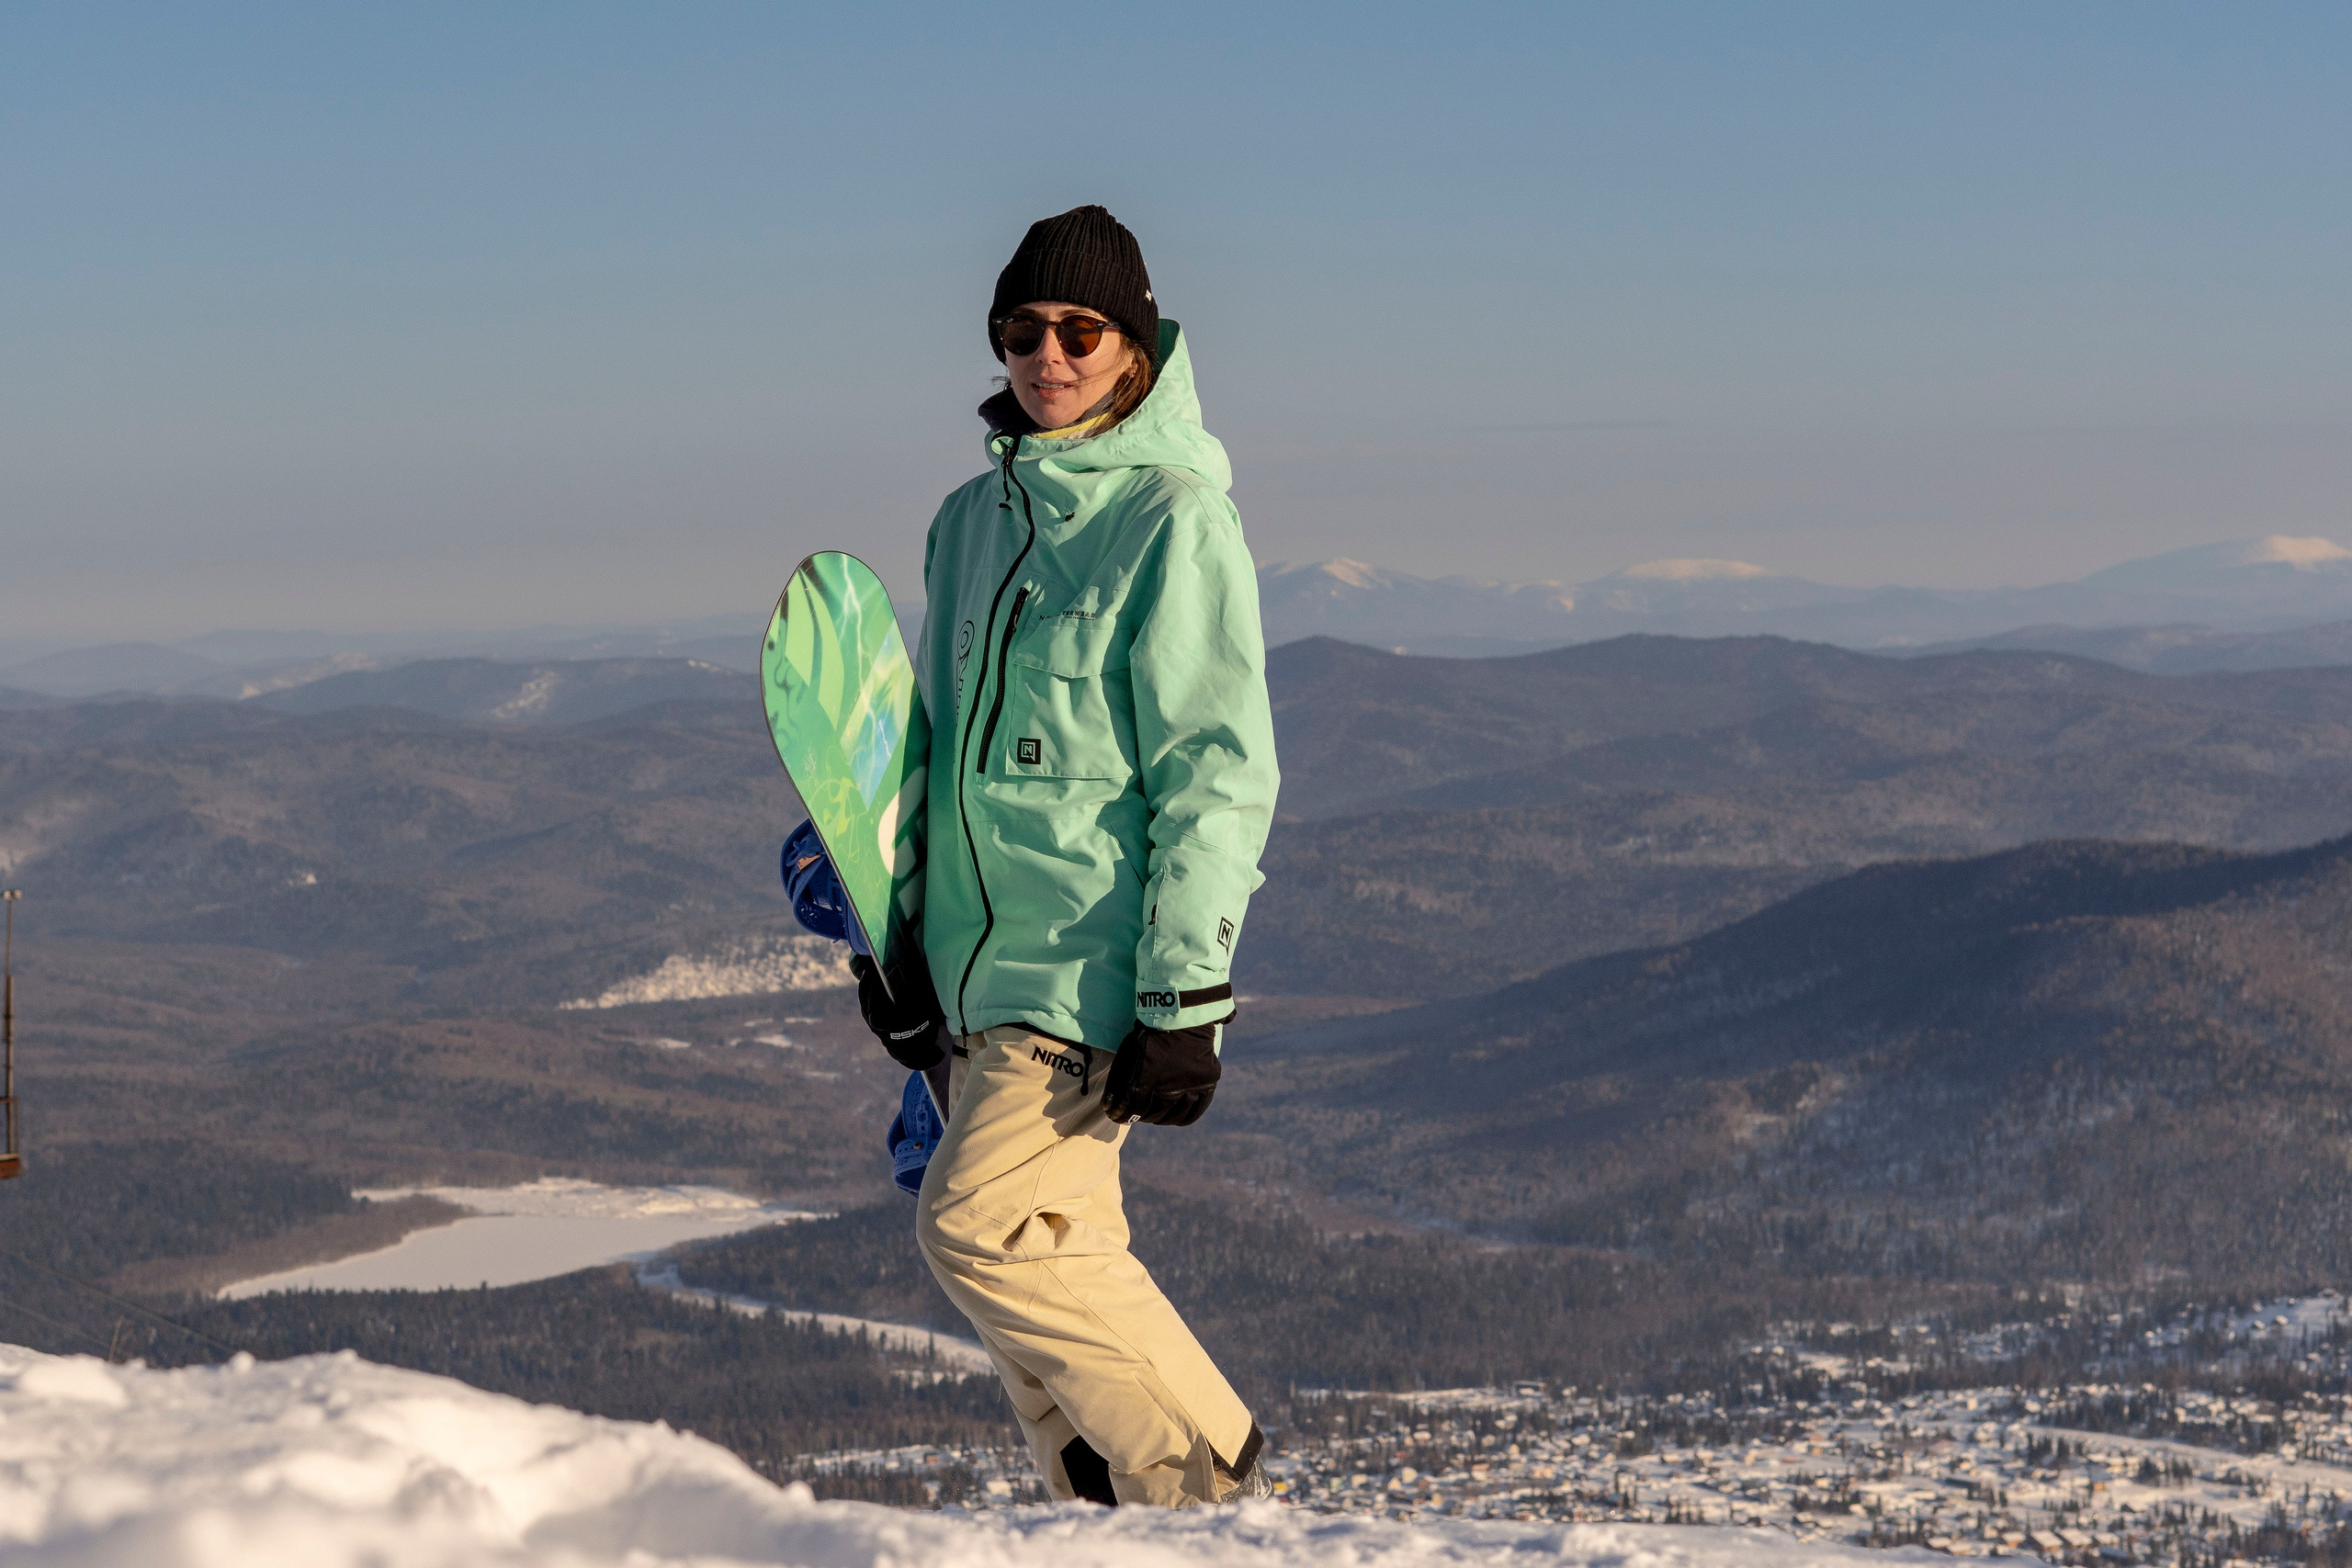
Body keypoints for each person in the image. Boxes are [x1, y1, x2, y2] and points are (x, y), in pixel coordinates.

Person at [849, 204, 1279, 1507]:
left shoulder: (1172, 522)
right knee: (1044, 1242)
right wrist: (900, 937)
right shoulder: (965, 525)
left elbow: (1219, 772)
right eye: (1023, 329)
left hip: (1088, 968)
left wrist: (1185, 999)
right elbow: (932, 758)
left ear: (1134, 350)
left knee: (976, 1224)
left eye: (1081, 330)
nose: (1051, 354)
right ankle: (1101, 1499)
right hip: (980, 972)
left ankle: (1202, 1474)